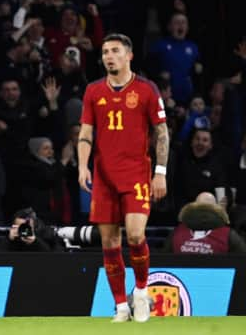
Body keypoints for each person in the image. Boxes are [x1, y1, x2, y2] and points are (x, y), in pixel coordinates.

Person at [77, 33, 169, 323]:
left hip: (136, 174)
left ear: (129, 55)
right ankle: (120, 306)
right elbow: (86, 134)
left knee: (135, 235)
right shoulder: (93, 91)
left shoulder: (146, 89)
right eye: (105, 51)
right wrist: (82, 166)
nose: (109, 56)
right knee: (109, 242)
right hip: (104, 177)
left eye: (115, 50)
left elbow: (162, 133)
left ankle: (141, 292)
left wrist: (161, 173)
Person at [164, 192, 246, 254]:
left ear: (193, 206)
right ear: (216, 208)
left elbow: (163, 261)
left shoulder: (177, 232)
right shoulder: (229, 235)